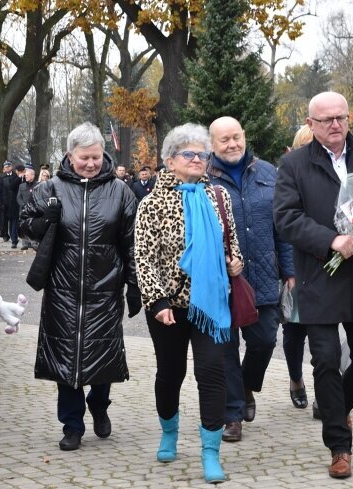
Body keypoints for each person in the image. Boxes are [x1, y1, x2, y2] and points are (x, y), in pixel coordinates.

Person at [273, 91, 353, 479]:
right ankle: (339, 447)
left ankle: (336, 406)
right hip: (320, 275)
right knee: (326, 359)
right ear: (310, 124)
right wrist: (330, 239)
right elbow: (286, 217)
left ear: (349, 119)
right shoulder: (294, 164)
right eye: (326, 119)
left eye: (341, 117)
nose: (335, 125)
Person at [19, 122, 139, 452]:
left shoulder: (121, 192)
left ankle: (99, 406)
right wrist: (46, 219)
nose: (90, 163)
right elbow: (25, 225)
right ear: (70, 156)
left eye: (96, 157)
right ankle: (72, 424)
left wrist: (134, 284)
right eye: (84, 157)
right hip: (62, 291)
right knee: (65, 361)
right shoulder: (49, 188)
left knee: (102, 358)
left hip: (104, 291)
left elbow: (131, 243)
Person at [134, 123, 243, 483]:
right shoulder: (152, 203)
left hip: (210, 303)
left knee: (211, 371)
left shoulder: (219, 197)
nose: (198, 160)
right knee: (171, 373)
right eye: (189, 154)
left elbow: (232, 243)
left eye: (202, 155)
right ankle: (169, 432)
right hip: (169, 306)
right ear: (170, 160)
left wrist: (235, 262)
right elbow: (144, 258)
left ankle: (210, 452)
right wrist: (157, 300)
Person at [206, 116, 294, 443]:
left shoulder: (268, 173)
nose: (232, 144)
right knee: (225, 348)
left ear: (244, 136)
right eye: (224, 140)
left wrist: (290, 272)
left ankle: (246, 385)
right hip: (221, 284)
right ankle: (232, 414)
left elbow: (282, 229)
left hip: (264, 277)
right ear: (212, 145)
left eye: (236, 137)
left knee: (264, 341)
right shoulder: (203, 179)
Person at [282, 125, 313, 412]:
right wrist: (289, 271)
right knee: (295, 332)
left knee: (324, 333)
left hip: (326, 265)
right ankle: (295, 379)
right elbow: (282, 227)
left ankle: (328, 391)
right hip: (296, 266)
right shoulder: (287, 175)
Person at [17, 165, 38, 250]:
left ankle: (34, 242)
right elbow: (18, 197)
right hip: (23, 209)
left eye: (27, 175)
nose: (26, 176)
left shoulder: (38, 185)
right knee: (23, 225)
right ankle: (25, 243)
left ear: (32, 176)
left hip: (34, 209)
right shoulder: (21, 186)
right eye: (25, 175)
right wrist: (23, 205)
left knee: (33, 225)